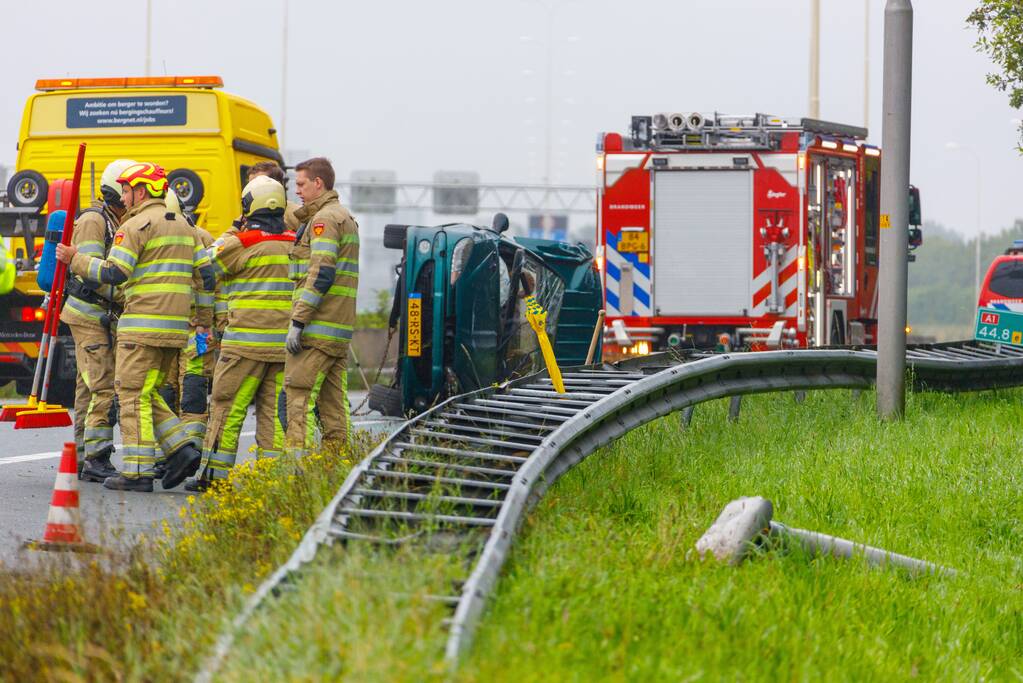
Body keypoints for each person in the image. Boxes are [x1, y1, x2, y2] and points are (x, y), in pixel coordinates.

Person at [57, 162, 214, 492]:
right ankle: (181, 449)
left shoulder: (136, 225)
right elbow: (207, 277)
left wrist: (74, 259)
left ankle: (137, 472)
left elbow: (114, 273)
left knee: (129, 394)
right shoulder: (186, 228)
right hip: (174, 332)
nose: (125, 196)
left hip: (140, 327)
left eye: (128, 190)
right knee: (147, 392)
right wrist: (203, 322)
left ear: (141, 191)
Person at [186, 176, 294, 491]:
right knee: (273, 416)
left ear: (249, 207)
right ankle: (272, 479)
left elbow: (205, 266)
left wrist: (235, 229)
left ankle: (213, 478)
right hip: (284, 349)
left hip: (244, 348)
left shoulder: (241, 242)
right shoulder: (297, 243)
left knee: (226, 409)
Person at [64, 159, 135, 482]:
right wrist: (126, 296)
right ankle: (96, 458)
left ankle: (82, 455)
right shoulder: (95, 220)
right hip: (89, 314)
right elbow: (89, 270)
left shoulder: (115, 220)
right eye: (127, 191)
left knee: (87, 385)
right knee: (102, 384)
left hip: (102, 316)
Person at [284, 157, 359, 457]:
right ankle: (334, 470)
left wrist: (298, 322)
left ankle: (295, 476)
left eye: (301, 184)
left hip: (316, 330)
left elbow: (321, 273)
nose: (298, 191)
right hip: (337, 331)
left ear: (319, 183)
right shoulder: (344, 216)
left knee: (298, 397)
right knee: (332, 407)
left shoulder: (324, 220)